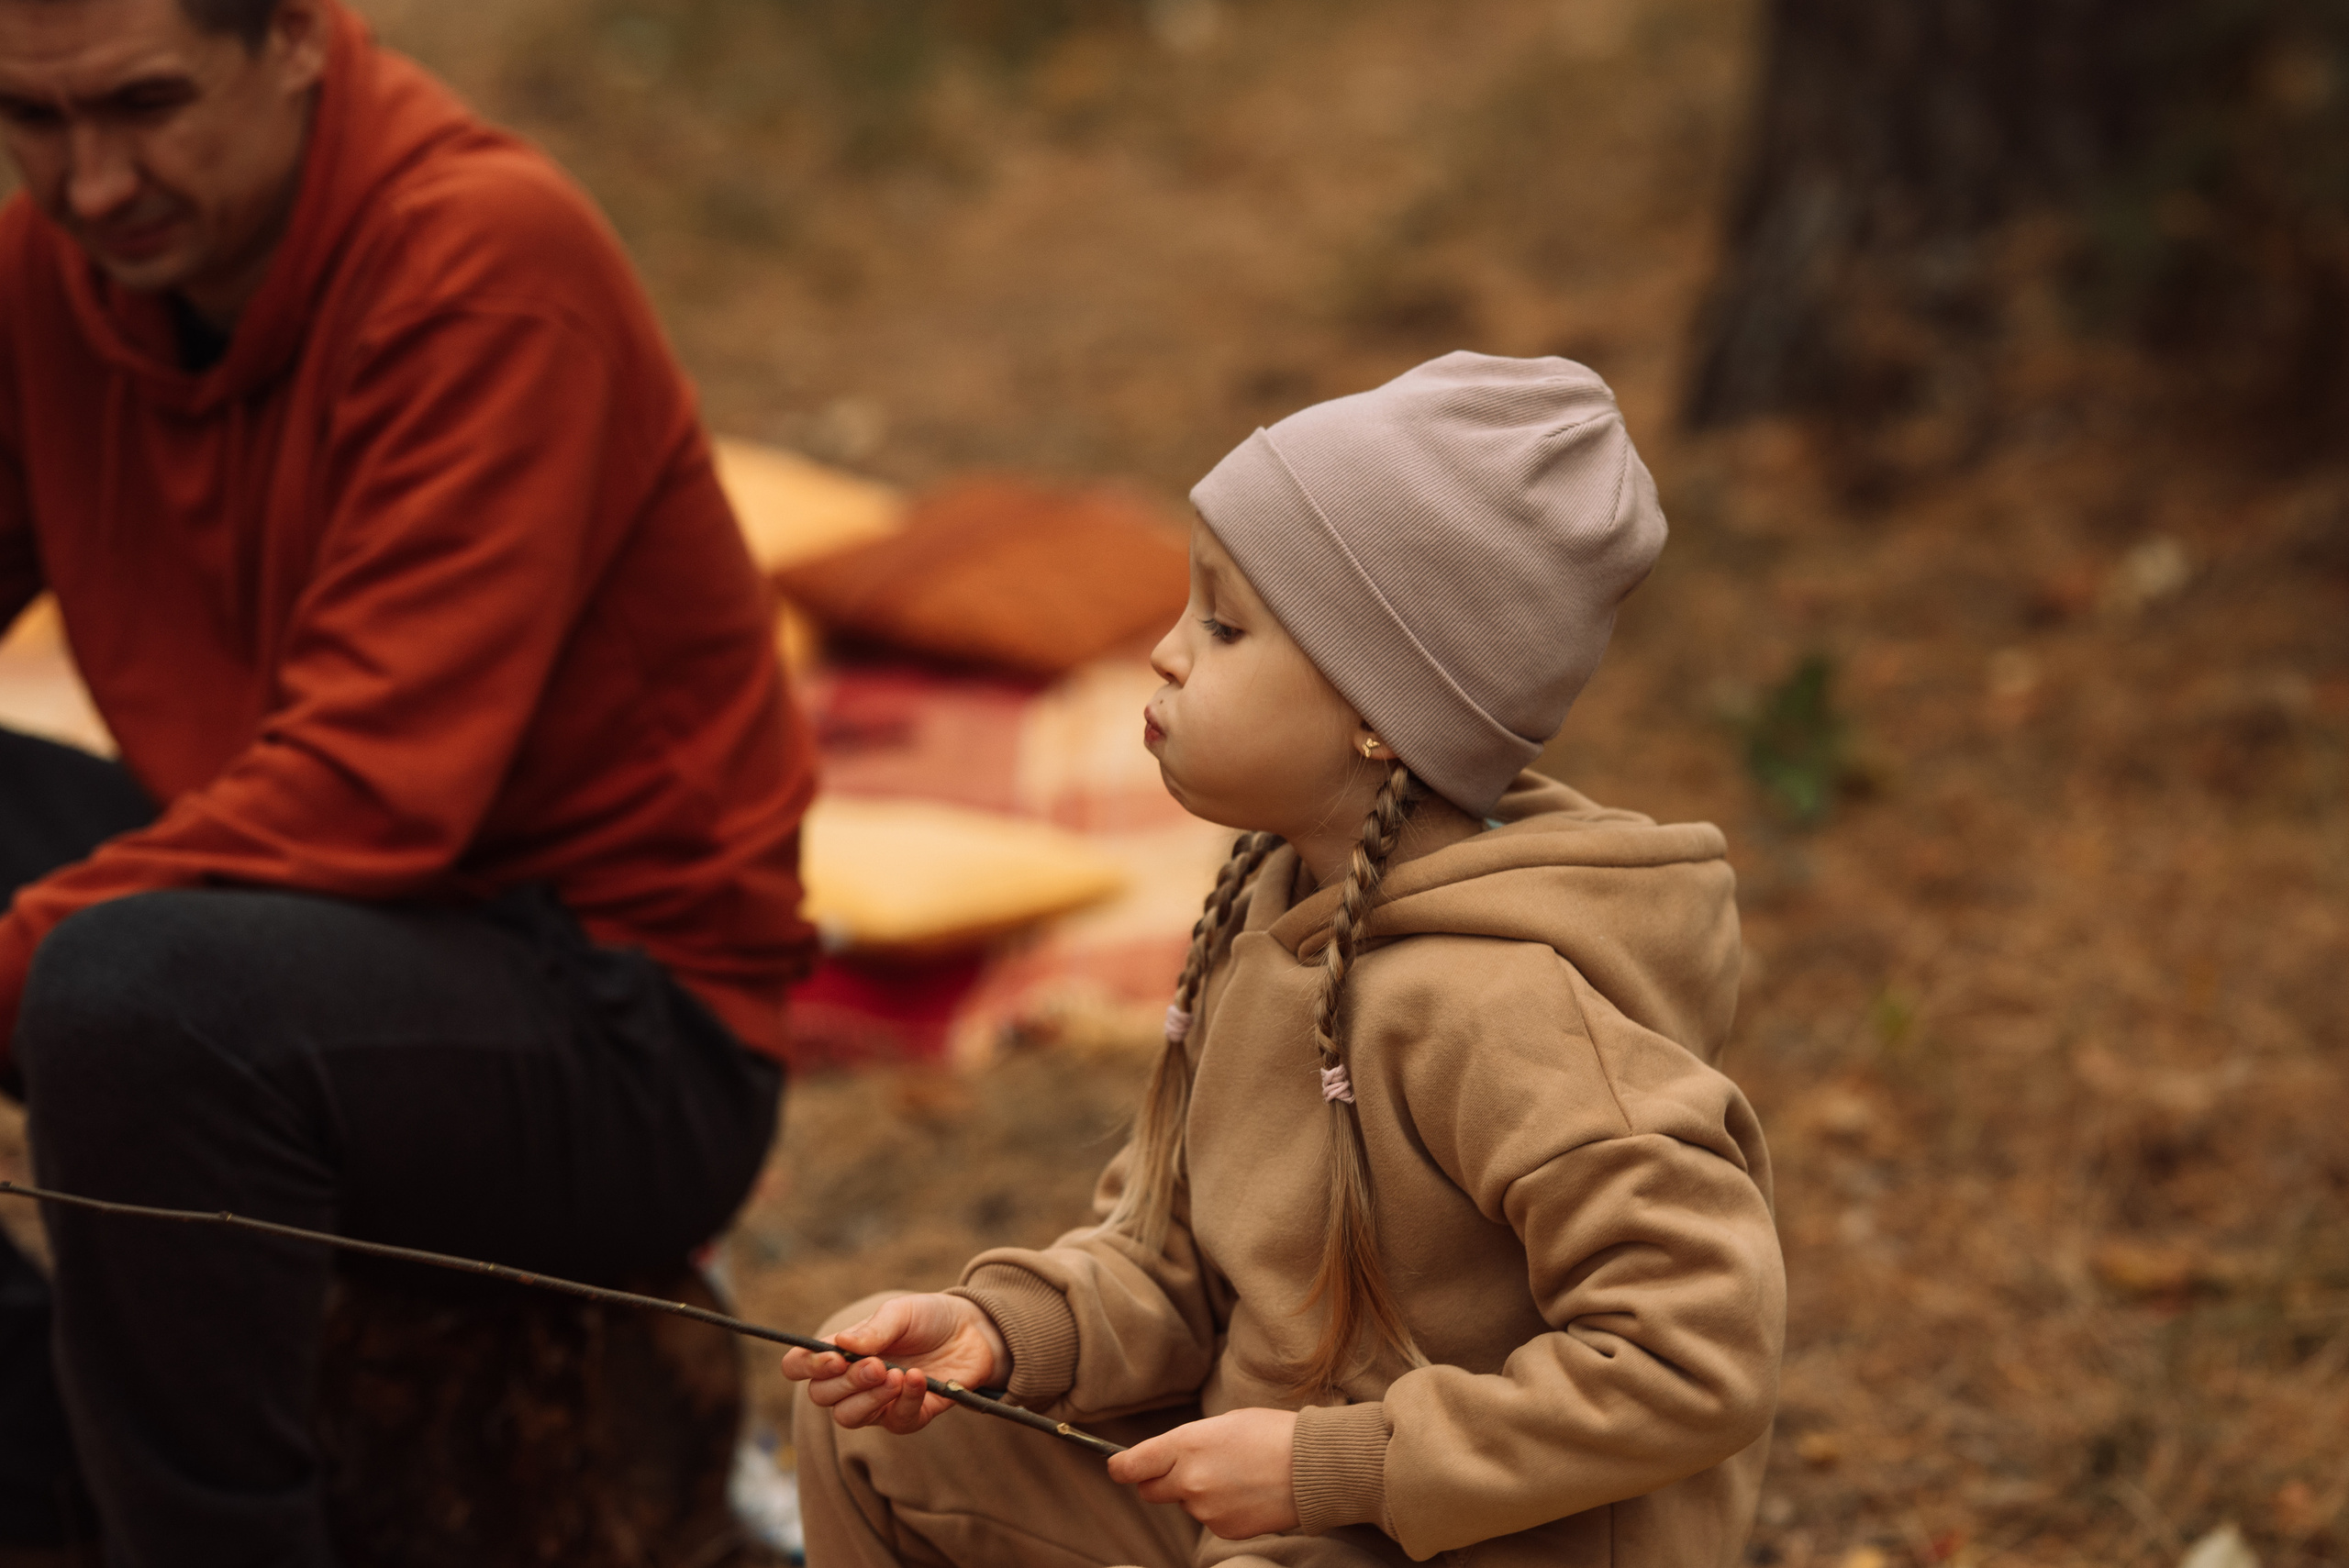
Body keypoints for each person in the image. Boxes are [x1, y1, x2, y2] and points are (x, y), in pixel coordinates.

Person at [0, 0, 816, 1561]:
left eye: (147, 104)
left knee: (126, 991)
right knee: (127, 970)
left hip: (621, 1023)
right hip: (306, 936)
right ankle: (39, 1474)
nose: (93, 183)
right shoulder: (58, 276)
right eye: (33, 122)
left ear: (298, 36)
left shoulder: (483, 260)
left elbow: (369, 795)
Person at [782, 352, 1786, 1568]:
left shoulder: (1507, 1007)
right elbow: (1173, 1271)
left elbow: (1696, 1357)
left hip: (1471, 1535)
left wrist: (1335, 1465)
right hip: (1274, 1507)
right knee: (878, 1445)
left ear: (1381, 709)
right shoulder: (1270, 906)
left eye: (1224, 623)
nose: (1164, 653)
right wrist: (1006, 1329)